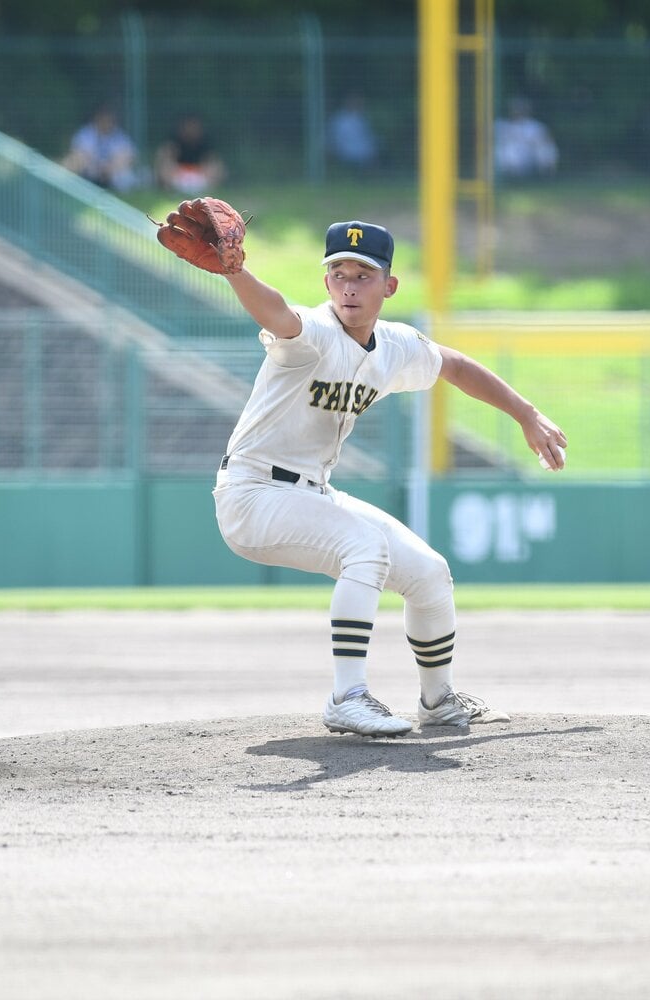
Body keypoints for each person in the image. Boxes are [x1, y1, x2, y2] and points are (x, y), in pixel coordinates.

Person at [211, 217, 568, 736]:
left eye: (364, 274)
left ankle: (438, 699)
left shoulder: (395, 345)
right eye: (338, 273)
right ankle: (347, 696)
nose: (349, 286)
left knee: (429, 573)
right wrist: (235, 272)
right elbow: (278, 313)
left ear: (389, 286)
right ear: (326, 282)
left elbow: (456, 365)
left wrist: (525, 414)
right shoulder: (312, 334)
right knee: (365, 548)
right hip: (252, 494)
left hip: (311, 494)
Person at [61, 103, 144, 193]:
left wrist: (110, 167)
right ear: (97, 119)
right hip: (90, 170)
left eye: (109, 120)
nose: (106, 123)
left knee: (126, 176)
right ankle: (66, 186)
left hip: (112, 172)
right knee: (73, 162)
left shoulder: (119, 135)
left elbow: (130, 155)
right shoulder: (86, 133)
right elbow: (79, 154)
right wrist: (96, 166)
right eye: (103, 119)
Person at [154, 114, 226, 195]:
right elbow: (164, 161)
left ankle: (208, 193)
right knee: (165, 159)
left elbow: (215, 165)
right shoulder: (173, 142)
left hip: (200, 178)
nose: (191, 129)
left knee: (214, 165)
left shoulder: (206, 143)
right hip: (178, 177)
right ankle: (169, 191)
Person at [494, 97, 558, 179]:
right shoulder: (501, 125)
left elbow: (545, 143)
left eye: (520, 108)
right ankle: (503, 179)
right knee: (506, 152)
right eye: (515, 108)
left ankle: (547, 177)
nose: (517, 111)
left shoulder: (535, 126)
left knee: (547, 150)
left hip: (527, 156)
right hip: (504, 156)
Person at [328, 93, 378, 172]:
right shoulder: (340, 119)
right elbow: (336, 138)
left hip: (363, 150)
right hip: (346, 151)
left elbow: (368, 137)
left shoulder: (362, 118)